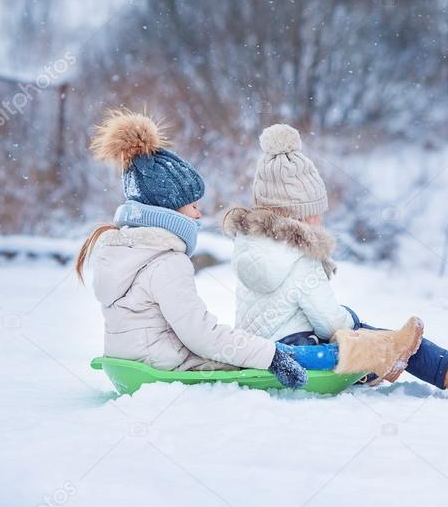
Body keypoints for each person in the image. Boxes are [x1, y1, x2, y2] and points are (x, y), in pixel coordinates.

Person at [76, 110, 421, 390]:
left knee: (258, 343)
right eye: (192, 207)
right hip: (165, 363)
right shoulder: (166, 264)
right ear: (166, 211)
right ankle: (374, 356)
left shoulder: (121, 250)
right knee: (301, 352)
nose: (198, 215)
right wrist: (271, 356)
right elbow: (201, 336)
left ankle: (384, 353)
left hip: (130, 362)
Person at [224, 123, 448, 399]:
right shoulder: (301, 254)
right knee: (387, 339)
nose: (320, 219)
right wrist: (356, 321)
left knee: (385, 338)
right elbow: (329, 323)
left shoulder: (252, 245)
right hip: (301, 351)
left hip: (259, 350)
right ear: (299, 215)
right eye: (315, 212)